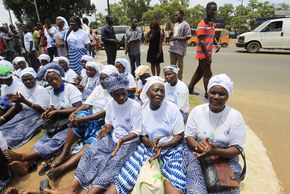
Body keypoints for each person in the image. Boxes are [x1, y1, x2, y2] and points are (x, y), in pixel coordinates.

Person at [46, 73, 142, 194]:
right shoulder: (111, 104)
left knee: (113, 163)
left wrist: (122, 140)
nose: (121, 97)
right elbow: (109, 123)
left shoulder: (135, 105)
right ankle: (72, 189)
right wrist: (106, 128)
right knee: (90, 151)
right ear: (111, 95)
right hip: (112, 138)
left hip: (129, 142)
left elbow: (136, 131)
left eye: (124, 93)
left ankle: (91, 192)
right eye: (117, 95)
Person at [106, 76, 186, 194]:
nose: (159, 93)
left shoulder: (172, 108)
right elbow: (143, 137)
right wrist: (153, 145)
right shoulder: (142, 110)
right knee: (126, 176)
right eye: (155, 90)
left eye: (162, 91)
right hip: (149, 148)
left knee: (174, 184)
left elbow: (179, 135)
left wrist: (163, 146)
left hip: (172, 148)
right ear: (147, 93)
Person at [4, 63, 82, 175]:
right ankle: (27, 164)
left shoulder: (70, 88)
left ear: (61, 77)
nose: (54, 82)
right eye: (50, 80)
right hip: (58, 121)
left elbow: (78, 108)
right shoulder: (52, 91)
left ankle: (22, 157)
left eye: (56, 78)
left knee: (56, 141)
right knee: (44, 139)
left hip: (73, 120)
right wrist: (48, 111)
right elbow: (52, 106)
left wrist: (57, 111)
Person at [46, 65, 118, 181]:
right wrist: (74, 113)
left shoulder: (116, 91)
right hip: (92, 118)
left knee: (93, 141)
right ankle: (65, 152)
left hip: (106, 123)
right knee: (78, 116)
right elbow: (87, 104)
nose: (103, 81)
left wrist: (84, 119)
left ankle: (63, 167)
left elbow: (105, 112)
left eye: (106, 78)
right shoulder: (99, 88)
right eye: (101, 78)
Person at [184, 74, 246, 194]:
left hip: (226, 157)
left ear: (228, 95)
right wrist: (198, 145)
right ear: (208, 92)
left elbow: (237, 148)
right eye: (212, 92)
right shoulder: (197, 111)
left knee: (227, 189)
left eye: (221, 94)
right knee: (195, 189)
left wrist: (216, 151)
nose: (216, 97)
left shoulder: (235, 116)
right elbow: (189, 137)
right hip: (198, 154)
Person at [0, 67, 50, 149]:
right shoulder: (22, 89)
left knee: (13, 136)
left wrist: (24, 101)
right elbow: (19, 108)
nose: (28, 82)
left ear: (34, 78)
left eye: (30, 79)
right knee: (4, 129)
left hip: (37, 116)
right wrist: (17, 103)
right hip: (23, 113)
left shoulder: (40, 90)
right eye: (25, 80)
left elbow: (43, 110)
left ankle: (5, 148)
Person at [188, 2, 218, 98]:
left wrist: (217, 44)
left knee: (199, 72)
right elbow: (201, 42)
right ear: (207, 10)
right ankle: (207, 93)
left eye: (215, 9)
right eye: (212, 9)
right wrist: (208, 56)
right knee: (208, 73)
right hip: (203, 53)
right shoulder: (202, 24)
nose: (214, 12)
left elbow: (211, 36)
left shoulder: (212, 23)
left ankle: (190, 88)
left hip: (208, 52)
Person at [168, 9, 191, 80]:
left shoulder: (185, 24)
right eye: (175, 15)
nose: (176, 16)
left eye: (177, 15)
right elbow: (172, 35)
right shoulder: (175, 24)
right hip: (172, 48)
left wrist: (176, 38)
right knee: (172, 66)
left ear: (182, 15)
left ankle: (179, 80)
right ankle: (173, 79)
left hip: (180, 49)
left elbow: (188, 36)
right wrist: (171, 31)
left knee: (180, 66)